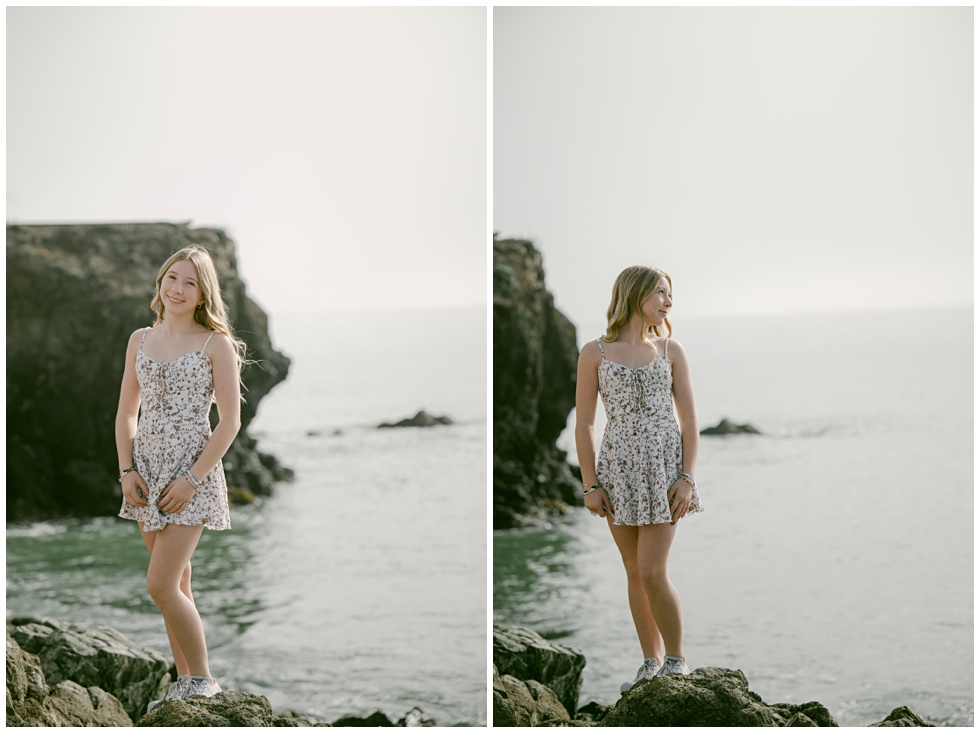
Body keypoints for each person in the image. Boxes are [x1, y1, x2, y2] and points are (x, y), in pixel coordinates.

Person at [115, 245, 245, 711]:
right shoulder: (139, 339)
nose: (178, 288)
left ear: (202, 292)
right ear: (161, 281)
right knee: (178, 586)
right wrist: (127, 470)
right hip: (146, 471)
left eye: (190, 282)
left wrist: (192, 478)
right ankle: (184, 681)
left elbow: (229, 422)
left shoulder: (216, 345)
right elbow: (127, 412)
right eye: (173, 277)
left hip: (194, 473)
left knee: (161, 585)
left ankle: (204, 680)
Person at [574, 264, 704, 695]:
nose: (669, 302)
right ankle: (650, 662)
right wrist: (590, 485)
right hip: (617, 473)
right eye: (662, 293)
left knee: (652, 570)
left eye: (669, 294)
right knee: (632, 571)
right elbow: (584, 425)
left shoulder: (671, 350)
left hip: (663, 471)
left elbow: (689, 421)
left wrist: (687, 477)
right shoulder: (595, 352)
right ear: (636, 294)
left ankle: (677, 659)